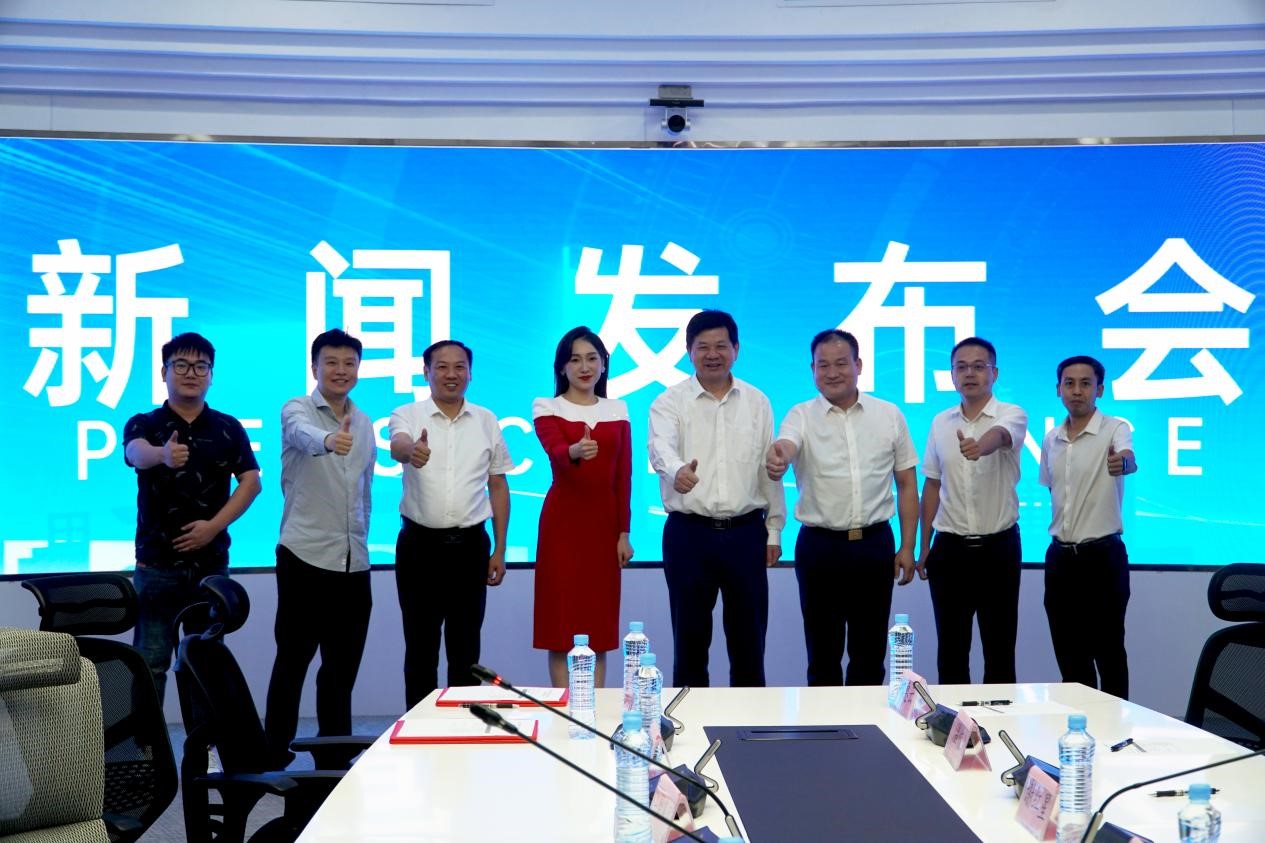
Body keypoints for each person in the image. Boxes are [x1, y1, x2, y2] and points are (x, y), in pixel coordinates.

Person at [766, 329, 919, 686]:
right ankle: (826, 722)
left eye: (841, 364)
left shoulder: (888, 414)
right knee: (822, 654)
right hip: (820, 548)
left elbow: (907, 483)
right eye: (823, 365)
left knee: (870, 654)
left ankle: (867, 720)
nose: (832, 373)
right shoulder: (801, 415)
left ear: (858, 365)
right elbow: (787, 443)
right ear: (813, 369)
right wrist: (780, 456)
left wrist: (908, 546)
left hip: (874, 545)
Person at [648, 310, 785, 688]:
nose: (712, 354)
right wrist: (677, 470)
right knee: (690, 644)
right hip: (689, 534)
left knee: (749, 644)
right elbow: (659, 448)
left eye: (721, 346)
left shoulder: (757, 401)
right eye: (702, 347)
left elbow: (769, 468)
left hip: (746, 533)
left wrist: (774, 529)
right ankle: (688, 720)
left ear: (736, 349)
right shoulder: (669, 402)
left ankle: (750, 722)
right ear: (688, 351)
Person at [122, 331, 261, 702]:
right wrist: (162, 455)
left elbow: (251, 483)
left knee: (206, 663)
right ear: (164, 372)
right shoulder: (145, 423)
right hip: (157, 565)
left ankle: (206, 739)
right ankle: (147, 739)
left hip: (210, 566)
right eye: (181, 365)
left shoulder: (228, 427)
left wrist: (213, 528)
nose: (191, 373)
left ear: (211, 375)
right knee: (150, 663)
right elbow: (135, 454)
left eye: (201, 366)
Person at [264, 329, 376, 767]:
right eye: (331, 362)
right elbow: (303, 435)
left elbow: (364, 491)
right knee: (292, 663)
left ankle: (333, 759)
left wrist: (361, 538)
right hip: (305, 556)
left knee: (341, 671)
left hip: (354, 562)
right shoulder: (296, 408)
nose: (341, 370)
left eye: (349, 363)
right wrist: (329, 441)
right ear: (315, 367)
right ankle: (272, 756)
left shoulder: (364, 421)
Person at [389, 340, 512, 708]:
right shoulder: (407, 414)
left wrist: (500, 549)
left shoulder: (487, 420)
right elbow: (398, 445)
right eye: (441, 367)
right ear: (426, 372)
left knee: (466, 649)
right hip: (419, 548)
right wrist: (411, 451)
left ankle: (461, 726)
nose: (451, 374)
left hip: (471, 547)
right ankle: (419, 727)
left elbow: (498, 484)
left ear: (470, 373)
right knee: (420, 649)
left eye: (459, 367)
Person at [917, 336, 1027, 685]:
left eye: (979, 367)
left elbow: (1001, 436)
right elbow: (931, 485)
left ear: (994, 373)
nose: (969, 374)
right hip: (950, 550)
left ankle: (1000, 719)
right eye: (961, 367)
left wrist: (980, 446)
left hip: (998, 549)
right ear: (952, 375)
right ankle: (954, 721)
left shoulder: (1012, 414)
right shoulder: (941, 422)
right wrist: (924, 546)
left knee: (999, 650)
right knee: (951, 651)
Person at [532, 326, 633, 688]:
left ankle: (596, 706)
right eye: (575, 360)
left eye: (592, 359)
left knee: (598, 626)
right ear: (562, 367)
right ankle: (565, 708)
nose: (584, 367)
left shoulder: (617, 409)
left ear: (604, 365)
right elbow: (556, 451)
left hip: (603, 526)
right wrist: (574, 451)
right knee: (561, 626)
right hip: (563, 524)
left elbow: (623, 477)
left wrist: (624, 533)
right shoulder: (547, 406)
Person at [1039, 355, 1136, 699]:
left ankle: (1116, 725)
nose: (1077, 391)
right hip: (1060, 559)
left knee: (1109, 652)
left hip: (1102, 558)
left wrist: (1122, 463)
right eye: (1069, 383)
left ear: (1100, 389)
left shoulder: (1114, 429)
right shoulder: (1051, 439)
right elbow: (1053, 489)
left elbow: (1127, 457)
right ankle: (1080, 726)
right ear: (1059, 389)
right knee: (1070, 656)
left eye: (1085, 384)